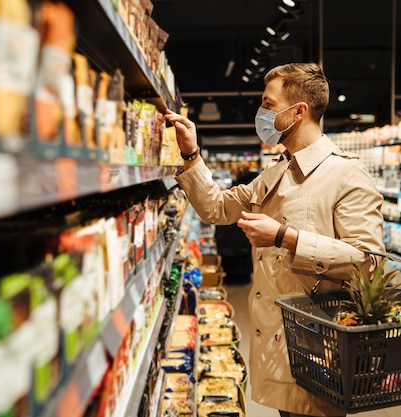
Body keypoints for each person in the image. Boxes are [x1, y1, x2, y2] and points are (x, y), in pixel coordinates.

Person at [164, 62, 385, 417]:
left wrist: (285, 237)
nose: (261, 113)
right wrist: (191, 154)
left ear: (299, 111)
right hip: (281, 346)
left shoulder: (346, 174)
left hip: (320, 349)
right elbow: (218, 208)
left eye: (268, 104)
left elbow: (369, 261)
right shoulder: (275, 172)